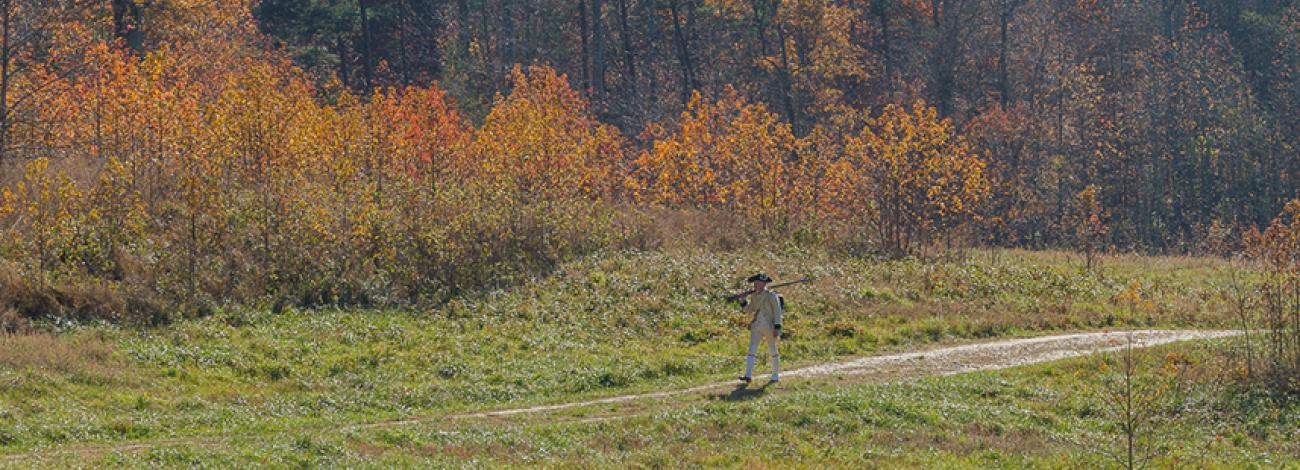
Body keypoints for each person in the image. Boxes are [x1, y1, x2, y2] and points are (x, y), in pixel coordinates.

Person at [738, 273, 783, 383]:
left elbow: (777, 312)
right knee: (752, 350)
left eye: (759, 283)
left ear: (764, 284)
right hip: (757, 325)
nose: (757, 285)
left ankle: (775, 375)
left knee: (773, 350)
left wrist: (777, 327)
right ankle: (748, 375)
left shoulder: (772, 296)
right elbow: (749, 310)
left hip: (769, 326)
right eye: (756, 283)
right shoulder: (754, 296)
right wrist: (743, 301)